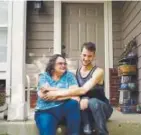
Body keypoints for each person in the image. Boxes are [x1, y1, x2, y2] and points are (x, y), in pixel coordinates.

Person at [41, 42, 113, 135]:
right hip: (85, 110)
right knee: (74, 102)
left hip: (102, 109)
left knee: (92, 101)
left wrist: (56, 94)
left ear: (94, 56)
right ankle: (86, 129)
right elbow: (70, 89)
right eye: (84, 55)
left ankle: (103, 132)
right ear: (80, 55)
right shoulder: (75, 72)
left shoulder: (98, 72)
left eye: (90, 56)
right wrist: (50, 89)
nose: (86, 58)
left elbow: (83, 90)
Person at [35, 54, 80, 135]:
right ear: (52, 65)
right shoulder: (44, 76)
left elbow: (76, 94)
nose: (63, 65)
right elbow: (43, 95)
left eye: (65, 63)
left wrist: (53, 92)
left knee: (73, 103)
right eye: (60, 63)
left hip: (64, 109)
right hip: (46, 111)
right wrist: (68, 93)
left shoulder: (69, 76)